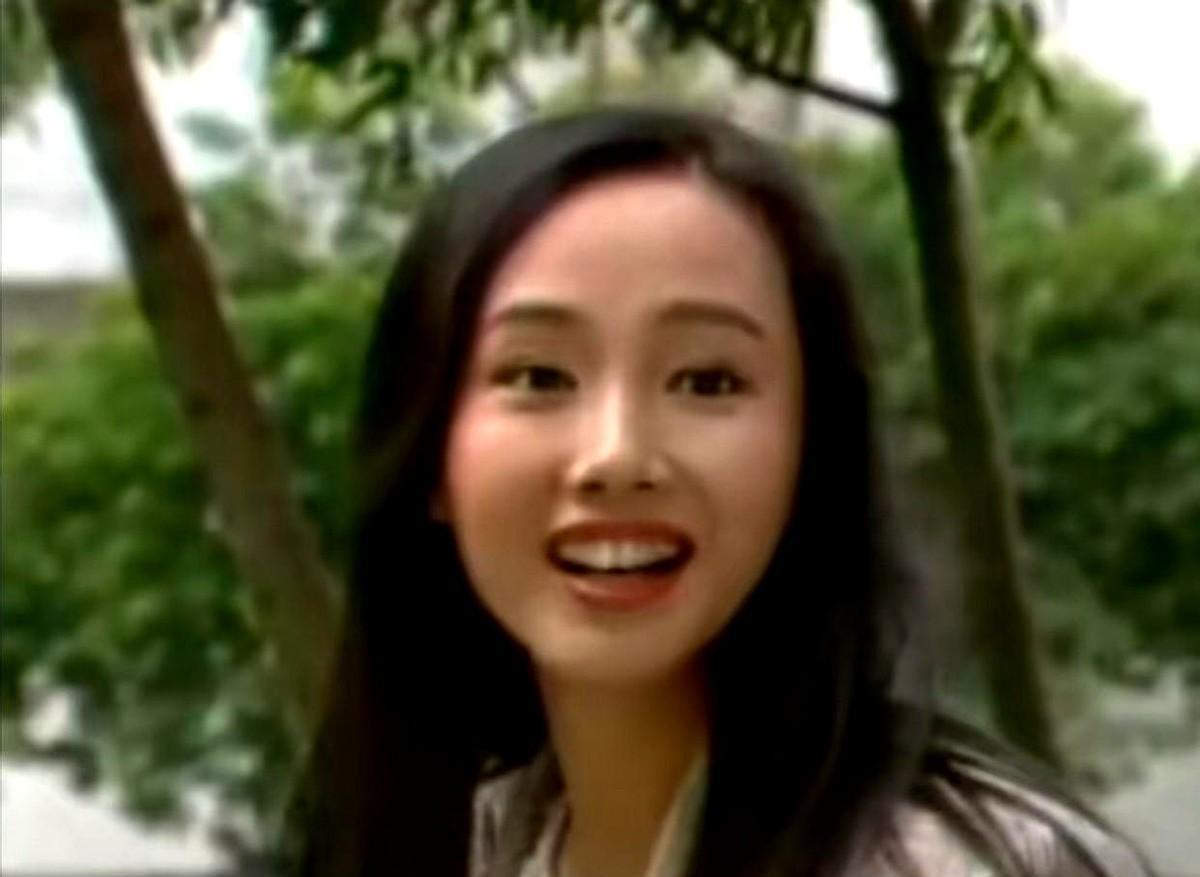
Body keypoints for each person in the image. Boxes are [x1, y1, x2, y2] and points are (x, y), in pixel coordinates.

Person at [290, 107, 1154, 877]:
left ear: (811, 445)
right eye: (539, 376)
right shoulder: (451, 841)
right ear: (430, 455)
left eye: (707, 381)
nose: (616, 456)